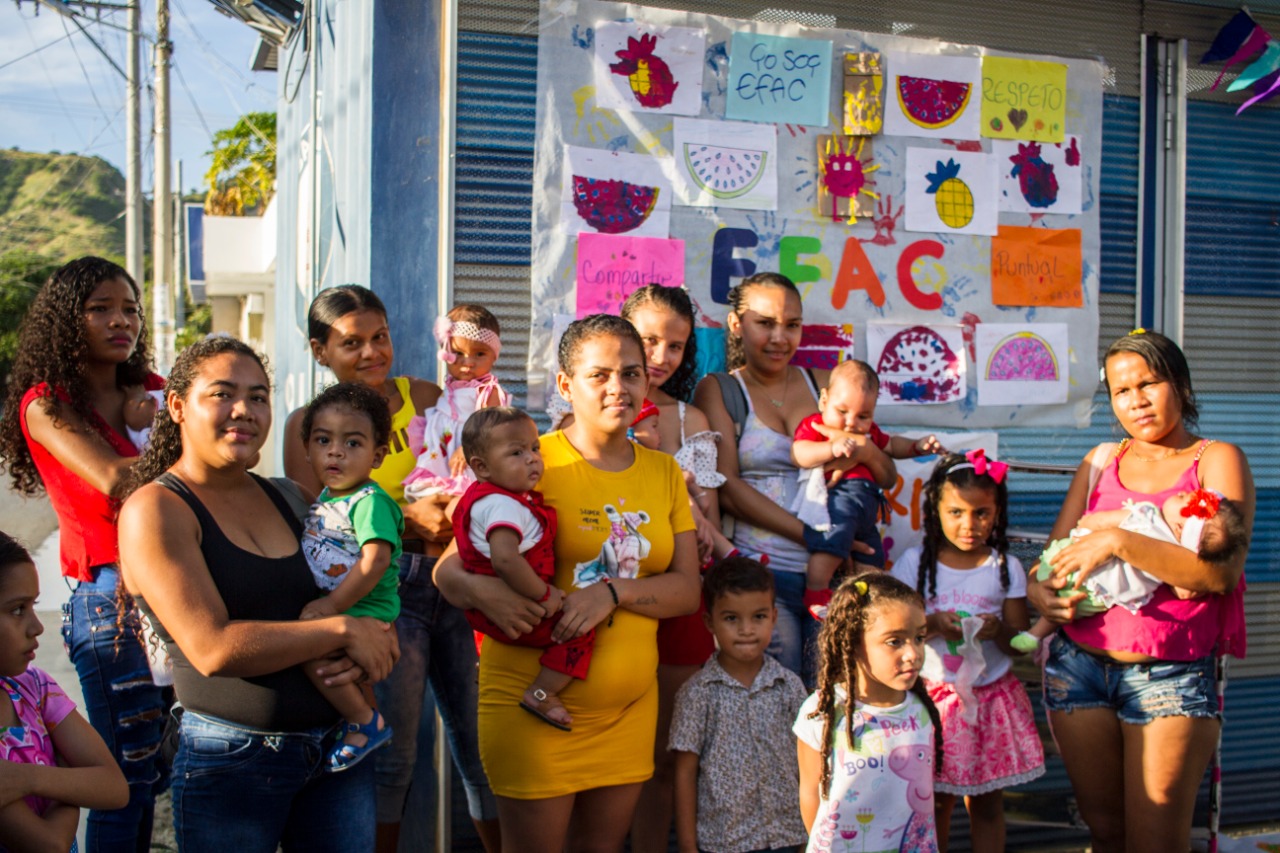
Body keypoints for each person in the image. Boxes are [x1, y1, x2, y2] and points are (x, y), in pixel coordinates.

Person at [116, 336, 399, 851]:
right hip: (234, 764)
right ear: (177, 406)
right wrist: (343, 630)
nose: (244, 410)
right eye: (222, 394)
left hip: (338, 751)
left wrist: (379, 636)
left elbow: (359, 585)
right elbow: (213, 649)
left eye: (259, 397)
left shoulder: (292, 497)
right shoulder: (155, 510)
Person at [434, 313, 701, 852]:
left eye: (630, 374)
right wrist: (492, 594)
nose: (617, 387)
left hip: (628, 711)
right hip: (531, 705)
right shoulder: (531, 463)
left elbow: (688, 590)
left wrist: (613, 593)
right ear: (565, 384)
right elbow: (448, 570)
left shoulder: (665, 472)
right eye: (599, 375)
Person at [282, 285, 499, 852]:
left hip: (458, 579)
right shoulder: (308, 424)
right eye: (352, 343)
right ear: (319, 351)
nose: (372, 352)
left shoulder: (425, 395)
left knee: (482, 746)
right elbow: (320, 531)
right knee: (392, 757)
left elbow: (475, 457)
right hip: (382, 593)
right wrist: (407, 520)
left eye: (380, 337)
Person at [1026, 329, 1254, 853]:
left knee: (1156, 843)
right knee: (1106, 834)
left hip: (1170, 677)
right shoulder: (1101, 459)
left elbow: (1219, 575)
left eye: (1149, 383)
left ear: (1180, 384)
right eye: (1122, 391)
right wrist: (1039, 592)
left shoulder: (1215, 459)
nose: (1137, 401)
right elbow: (1052, 557)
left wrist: (1120, 540)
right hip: (1077, 671)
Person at [0, 256, 168, 852]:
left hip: (177, 585)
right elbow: (116, 479)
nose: (122, 321)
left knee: (163, 766)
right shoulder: (44, 404)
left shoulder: (152, 390)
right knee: (127, 775)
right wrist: (168, 435)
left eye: (130, 309)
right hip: (109, 600)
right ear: (66, 318)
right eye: (101, 308)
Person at [889, 451, 1044, 853]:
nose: (969, 525)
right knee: (933, 801)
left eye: (981, 513)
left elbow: (1018, 643)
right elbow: (893, 634)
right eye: (956, 512)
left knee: (988, 803)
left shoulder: (1004, 568)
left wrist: (998, 631)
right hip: (930, 702)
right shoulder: (914, 564)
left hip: (989, 703)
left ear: (997, 514)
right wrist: (932, 624)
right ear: (935, 512)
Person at [695, 272, 838, 684]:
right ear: (736, 324)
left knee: (831, 695)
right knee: (776, 696)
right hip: (761, 579)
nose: (780, 337)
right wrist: (810, 536)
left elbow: (869, 462)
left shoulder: (826, 383)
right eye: (765, 323)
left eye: (792, 325)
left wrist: (842, 538)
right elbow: (728, 487)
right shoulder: (719, 389)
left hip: (830, 576)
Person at [454, 406, 593, 732]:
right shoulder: (502, 505)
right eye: (516, 453)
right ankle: (542, 693)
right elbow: (505, 560)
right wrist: (544, 594)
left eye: (534, 448)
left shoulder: (488, 497)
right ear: (481, 466)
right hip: (518, 604)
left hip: (493, 609)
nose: (532, 459)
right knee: (578, 630)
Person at [0, 531, 129, 853]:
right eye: (17, 610)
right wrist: (70, 779)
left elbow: (115, 788)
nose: (37, 626)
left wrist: (29, 779)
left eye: (33, 606)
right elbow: (51, 845)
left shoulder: (34, 688)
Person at [794, 572, 941, 852]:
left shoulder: (922, 709)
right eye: (895, 641)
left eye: (919, 638)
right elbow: (810, 793)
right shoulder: (822, 711)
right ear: (852, 642)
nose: (913, 653)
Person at [298, 382, 404, 771]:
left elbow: (375, 562)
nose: (336, 451)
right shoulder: (328, 499)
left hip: (365, 610)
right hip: (346, 608)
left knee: (310, 652)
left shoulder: (369, 502)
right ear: (307, 448)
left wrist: (331, 605)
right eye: (323, 440)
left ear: (378, 456)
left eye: (353, 443)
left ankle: (365, 722)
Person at [669, 557, 807, 853]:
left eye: (758, 617)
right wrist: (687, 846)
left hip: (787, 836)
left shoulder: (789, 686)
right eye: (732, 618)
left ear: (774, 617)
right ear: (710, 622)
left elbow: (808, 765)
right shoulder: (697, 693)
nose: (746, 629)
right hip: (724, 841)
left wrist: (810, 835)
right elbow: (684, 773)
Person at [1013, 488, 1248, 653]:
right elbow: (1184, 591)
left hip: (1069, 568)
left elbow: (1096, 521)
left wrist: (1087, 529)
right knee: (1065, 605)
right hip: (1097, 600)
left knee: (1061, 598)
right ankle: (1035, 634)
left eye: (1184, 499)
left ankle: (1035, 634)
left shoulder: (1147, 516)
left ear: (1179, 526)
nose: (1183, 493)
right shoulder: (1174, 556)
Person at [791, 360, 941, 616]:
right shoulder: (816, 425)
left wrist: (917, 446)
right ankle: (816, 593)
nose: (851, 423)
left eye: (863, 416)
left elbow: (892, 446)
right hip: (838, 501)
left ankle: (869, 605)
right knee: (831, 545)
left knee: (872, 558)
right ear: (824, 401)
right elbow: (799, 454)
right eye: (842, 411)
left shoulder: (869, 433)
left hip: (867, 510)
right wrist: (831, 448)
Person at [402, 305, 510, 502]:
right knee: (434, 492)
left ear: (494, 356)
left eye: (479, 354)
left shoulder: (488, 390)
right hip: (442, 449)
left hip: (466, 452)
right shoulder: (452, 384)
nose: (468, 362)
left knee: (463, 493)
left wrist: (468, 449)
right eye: (458, 353)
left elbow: (491, 427)